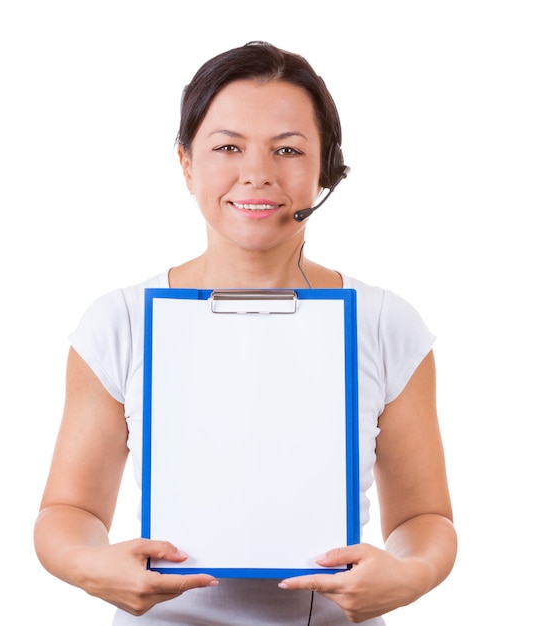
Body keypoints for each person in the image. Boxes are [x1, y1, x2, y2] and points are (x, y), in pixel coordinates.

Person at [34, 41, 457, 625]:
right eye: (227, 147)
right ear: (186, 162)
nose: (257, 174)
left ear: (324, 168)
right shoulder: (121, 321)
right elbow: (68, 509)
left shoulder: (384, 322)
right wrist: (90, 565)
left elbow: (424, 518)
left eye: (287, 150)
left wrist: (409, 575)